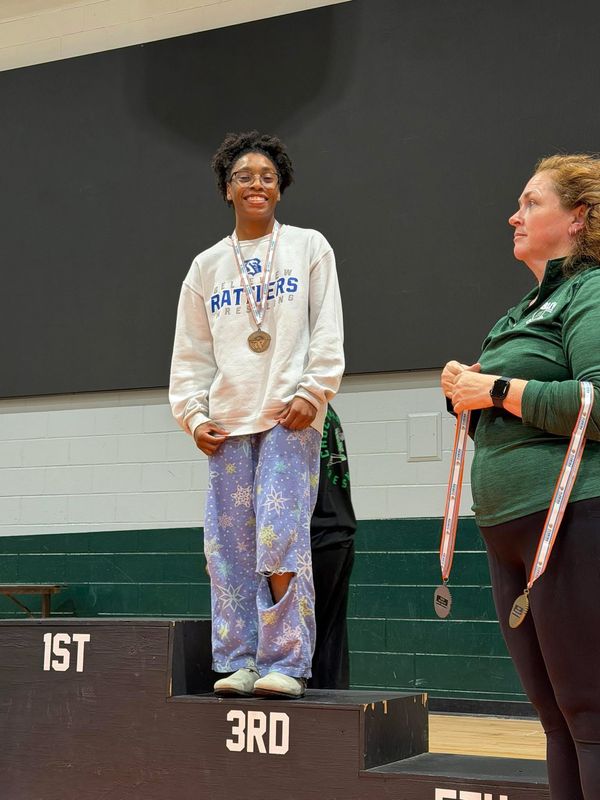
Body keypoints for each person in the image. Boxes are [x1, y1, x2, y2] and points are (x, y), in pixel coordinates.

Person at [441, 154, 600, 799]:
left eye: (532, 202)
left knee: (591, 717)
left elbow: (597, 404)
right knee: (556, 720)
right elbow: (504, 422)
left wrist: (496, 389)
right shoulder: (515, 315)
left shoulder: (591, 291)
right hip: (507, 532)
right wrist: (466, 398)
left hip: (573, 521)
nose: (515, 215)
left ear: (578, 218)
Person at [169, 131, 344, 699]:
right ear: (227, 188)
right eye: (244, 176)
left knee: (279, 539)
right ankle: (239, 659)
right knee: (228, 549)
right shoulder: (206, 266)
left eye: (267, 176)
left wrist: (313, 392)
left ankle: (286, 660)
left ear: (280, 187)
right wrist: (193, 415)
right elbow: (190, 353)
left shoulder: (308, 247)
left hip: (287, 417)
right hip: (227, 427)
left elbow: (327, 329)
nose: (256, 184)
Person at [309, 404, 357, 690]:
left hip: (314, 533)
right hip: (338, 531)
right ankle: (333, 708)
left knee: (305, 644)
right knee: (330, 641)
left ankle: (322, 712)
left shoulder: (298, 403)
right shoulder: (327, 407)